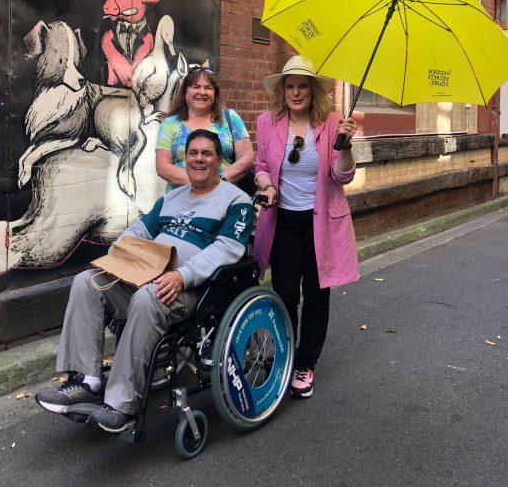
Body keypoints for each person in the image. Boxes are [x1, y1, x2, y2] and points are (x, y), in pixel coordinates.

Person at [36, 129, 253, 432]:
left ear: (218, 161)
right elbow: (140, 229)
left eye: (207, 154)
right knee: (87, 282)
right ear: (185, 159)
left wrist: (182, 275)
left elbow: (227, 249)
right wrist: (121, 255)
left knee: (147, 298)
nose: (199, 159)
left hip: (191, 288)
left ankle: (122, 405)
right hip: (147, 275)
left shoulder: (236, 201)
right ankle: (88, 381)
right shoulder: (172, 198)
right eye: (193, 153)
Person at [253, 55, 359, 400]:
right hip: (283, 220)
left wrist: (345, 147)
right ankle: (284, 355)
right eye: (290, 86)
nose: (296, 92)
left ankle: (305, 362)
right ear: (281, 90)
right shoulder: (268, 122)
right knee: (283, 293)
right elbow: (261, 164)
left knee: (316, 294)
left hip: (321, 223)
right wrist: (267, 184)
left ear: (313, 92)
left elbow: (340, 175)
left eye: (302, 86)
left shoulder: (331, 124)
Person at [156, 66, 254, 190]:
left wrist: (219, 182)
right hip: (182, 200)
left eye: (208, 88)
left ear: (215, 93)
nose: (202, 92)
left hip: (224, 197)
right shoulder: (169, 124)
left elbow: (247, 157)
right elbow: (163, 167)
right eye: (196, 87)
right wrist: (203, 185)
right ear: (185, 92)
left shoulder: (230, 118)